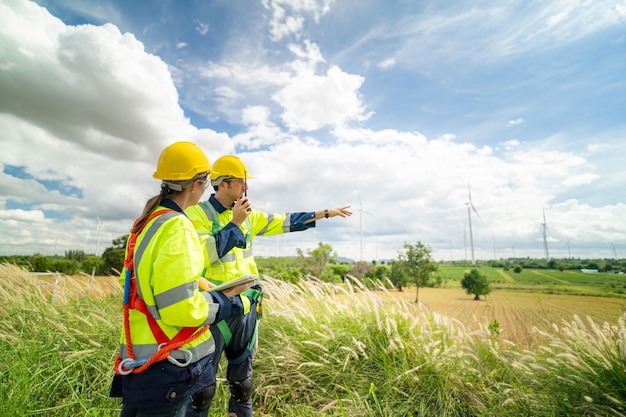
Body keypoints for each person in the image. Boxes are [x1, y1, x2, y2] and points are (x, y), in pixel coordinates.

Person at [184, 155, 352, 417]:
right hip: (213, 309)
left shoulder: (250, 216)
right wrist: (235, 223)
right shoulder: (195, 214)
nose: (246, 188)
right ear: (225, 184)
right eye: (241, 182)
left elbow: (285, 221)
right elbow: (203, 255)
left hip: (247, 307)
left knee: (243, 385)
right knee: (201, 390)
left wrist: (326, 213)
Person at [109, 142, 254, 417]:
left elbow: (135, 282)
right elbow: (181, 308)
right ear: (196, 185)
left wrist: (197, 282)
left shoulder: (148, 222)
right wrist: (224, 301)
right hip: (168, 363)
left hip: (139, 357)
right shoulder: (178, 226)